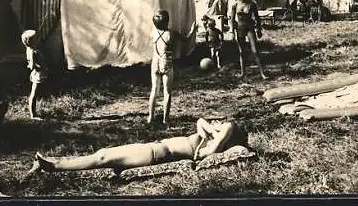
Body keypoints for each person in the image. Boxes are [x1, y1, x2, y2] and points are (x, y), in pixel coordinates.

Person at [26, 118, 249, 175]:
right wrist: (212, 129)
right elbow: (201, 122)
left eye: (223, 126)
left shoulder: (213, 146)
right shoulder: (207, 136)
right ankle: (52, 165)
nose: (219, 123)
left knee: (104, 157)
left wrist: (217, 132)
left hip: (158, 152)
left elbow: (225, 130)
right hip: (154, 147)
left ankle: (53, 166)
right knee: (104, 155)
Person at [149, 10, 197, 126]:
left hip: (155, 62)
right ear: (167, 22)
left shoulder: (153, 32)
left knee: (154, 90)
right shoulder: (172, 33)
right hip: (167, 62)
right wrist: (193, 30)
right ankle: (165, 119)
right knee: (167, 92)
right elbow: (186, 40)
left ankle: (150, 117)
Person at [230, 0, 268, 80]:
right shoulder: (235, 5)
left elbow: (257, 17)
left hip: (250, 28)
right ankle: (243, 73)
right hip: (240, 28)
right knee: (241, 51)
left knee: (255, 51)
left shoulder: (252, 4)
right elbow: (231, 19)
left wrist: (258, 29)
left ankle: (262, 73)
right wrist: (232, 31)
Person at [21, 30, 48, 120]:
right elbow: (32, 65)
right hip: (38, 74)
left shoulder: (30, 49)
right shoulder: (33, 51)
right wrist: (41, 67)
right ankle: (33, 115)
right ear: (30, 41)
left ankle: (34, 112)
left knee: (36, 93)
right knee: (34, 94)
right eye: (35, 38)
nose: (37, 39)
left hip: (39, 73)